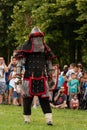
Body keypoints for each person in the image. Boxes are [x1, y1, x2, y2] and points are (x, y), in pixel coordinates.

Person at [15, 27, 56, 125]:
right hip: (28, 77)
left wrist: (50, 76)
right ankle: (27, 119)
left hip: (42, 77)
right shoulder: (26, 47)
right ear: (32, 38)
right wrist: (18, 76)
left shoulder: (45, 49)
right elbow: (20, 64)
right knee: (27, 99)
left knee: (45, 99)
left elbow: (49, 64)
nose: (37, 41)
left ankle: (49, 119)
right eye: (35, 38)